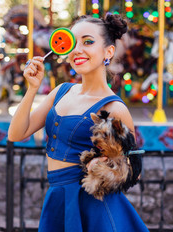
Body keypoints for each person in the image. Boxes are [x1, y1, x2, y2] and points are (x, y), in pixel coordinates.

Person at [8, 13, 149, 232]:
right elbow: (16, 134)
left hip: (93, 209)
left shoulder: (114, 108)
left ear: (108, 52)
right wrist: (32, 88)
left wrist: (102, 168)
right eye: (73, 43)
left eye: (88, 42)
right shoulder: (61, 92)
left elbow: (133, 169)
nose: (78, 50)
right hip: (57, 197)